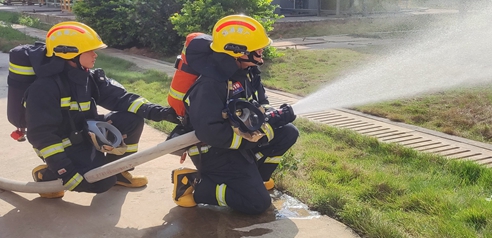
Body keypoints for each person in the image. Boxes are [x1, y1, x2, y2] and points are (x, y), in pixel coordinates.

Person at [27, 21, 179, 198]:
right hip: (63, 147)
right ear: (70, 54)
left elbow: (121, 98)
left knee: (131, 120)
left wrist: (161, 113)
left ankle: (119, 171)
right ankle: (47, 175)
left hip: (86, 136)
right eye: (90, 50)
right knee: (102, 182)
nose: (95, 55)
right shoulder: (44, 88)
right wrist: (65, 171)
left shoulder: (88, 77)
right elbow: (42, 136)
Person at [171, 14, 298, 215]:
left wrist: (271, 116)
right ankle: (194, 184)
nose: (262, 51)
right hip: (214, 151)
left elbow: (260, 103)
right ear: (237, 52)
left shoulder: (247, 72)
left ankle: (255, 179)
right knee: (256, 204)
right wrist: (255, 136)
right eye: (257, 48)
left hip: (238, 142)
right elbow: (211, 133)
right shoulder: (210, 85)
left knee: (288, 132)